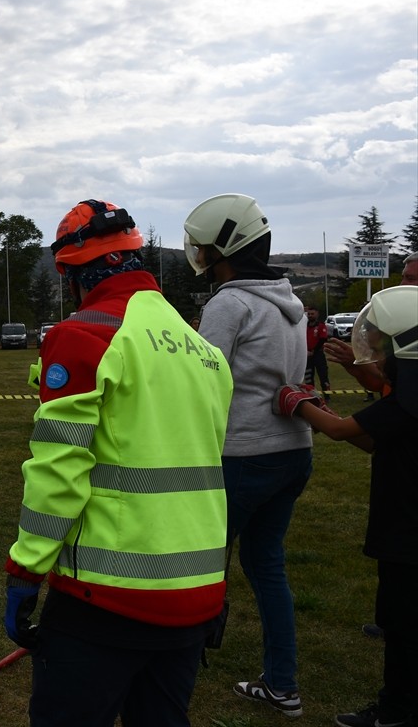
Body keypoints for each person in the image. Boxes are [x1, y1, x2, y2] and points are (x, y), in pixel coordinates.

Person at [4, 199, 233, 727]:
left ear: (71, 274)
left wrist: (26, 570)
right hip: (196, 596)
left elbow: (58, 474)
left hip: (104, 601)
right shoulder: (202, 350)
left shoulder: (83, 336)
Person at [183, 193, 311, 716]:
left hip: (242, 455)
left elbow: (202, 380)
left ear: (223, 249)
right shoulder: (288, 300)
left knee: (196, 567)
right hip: (293, 451)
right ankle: (283, 684)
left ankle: (171, 674)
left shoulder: (229, 304)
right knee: (266, 566)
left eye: (203, 247)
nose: (199, 256)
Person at [274, 285, 417, 727]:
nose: (375, 355)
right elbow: (371, 441)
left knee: (403, 627)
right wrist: (330, 410)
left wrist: (300, 403)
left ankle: (395, 711)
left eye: (381, 347)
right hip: (406, 528)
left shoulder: (406, 404)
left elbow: (340, 432)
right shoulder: (405, 401)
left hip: (406, 532)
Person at [325, 251, 418, 401]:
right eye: (403, 277)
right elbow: (381, 384)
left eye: (410, 278)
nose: (402, 285)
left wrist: (361, 362)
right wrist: (355, 367)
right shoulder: (405, 325)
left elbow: (400, 378)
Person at [304, 307, 332, 399]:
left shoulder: (321, 325)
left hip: (318, 354)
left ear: (317, 314)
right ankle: (312, 395)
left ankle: (327, 395)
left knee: (323, 375)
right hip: (307, 355)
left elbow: (323, 339)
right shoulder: (305, 326)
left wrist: (313, 351)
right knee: (308, 376)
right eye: (309, 314)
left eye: (312, 314)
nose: (310, 316)